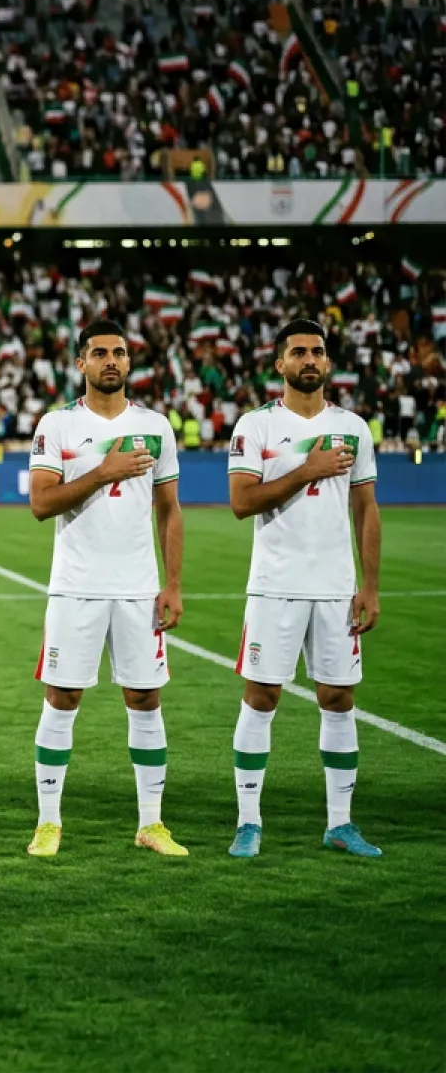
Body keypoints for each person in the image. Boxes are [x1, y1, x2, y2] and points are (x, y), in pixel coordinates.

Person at [25, 321, 187, 858]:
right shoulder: (58, 425)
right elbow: (42, 503)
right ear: (81, 363)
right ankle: (49, 823)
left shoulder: (156, 427)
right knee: (63, 696)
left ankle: (151, 823)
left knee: (145, 698)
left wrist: (174, 584)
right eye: (99, 353)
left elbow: (169, 510)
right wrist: (103, 470)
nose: (111, 361)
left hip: (139, 588)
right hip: (76, 587)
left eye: (119, 352)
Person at [226, 319, 382, 859]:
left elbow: (366, 508)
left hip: (337, 589)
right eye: (298, 352)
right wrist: (306, 469)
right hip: (275, 587)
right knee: (262, 696)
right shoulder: (256, 427)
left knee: (339, 699)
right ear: (280, 363)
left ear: (328, 362)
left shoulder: (355, 429)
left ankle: (340, 823)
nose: (309, 359)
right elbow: (242, 502)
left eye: (317, 351)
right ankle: (249, 822)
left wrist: (370, 586)